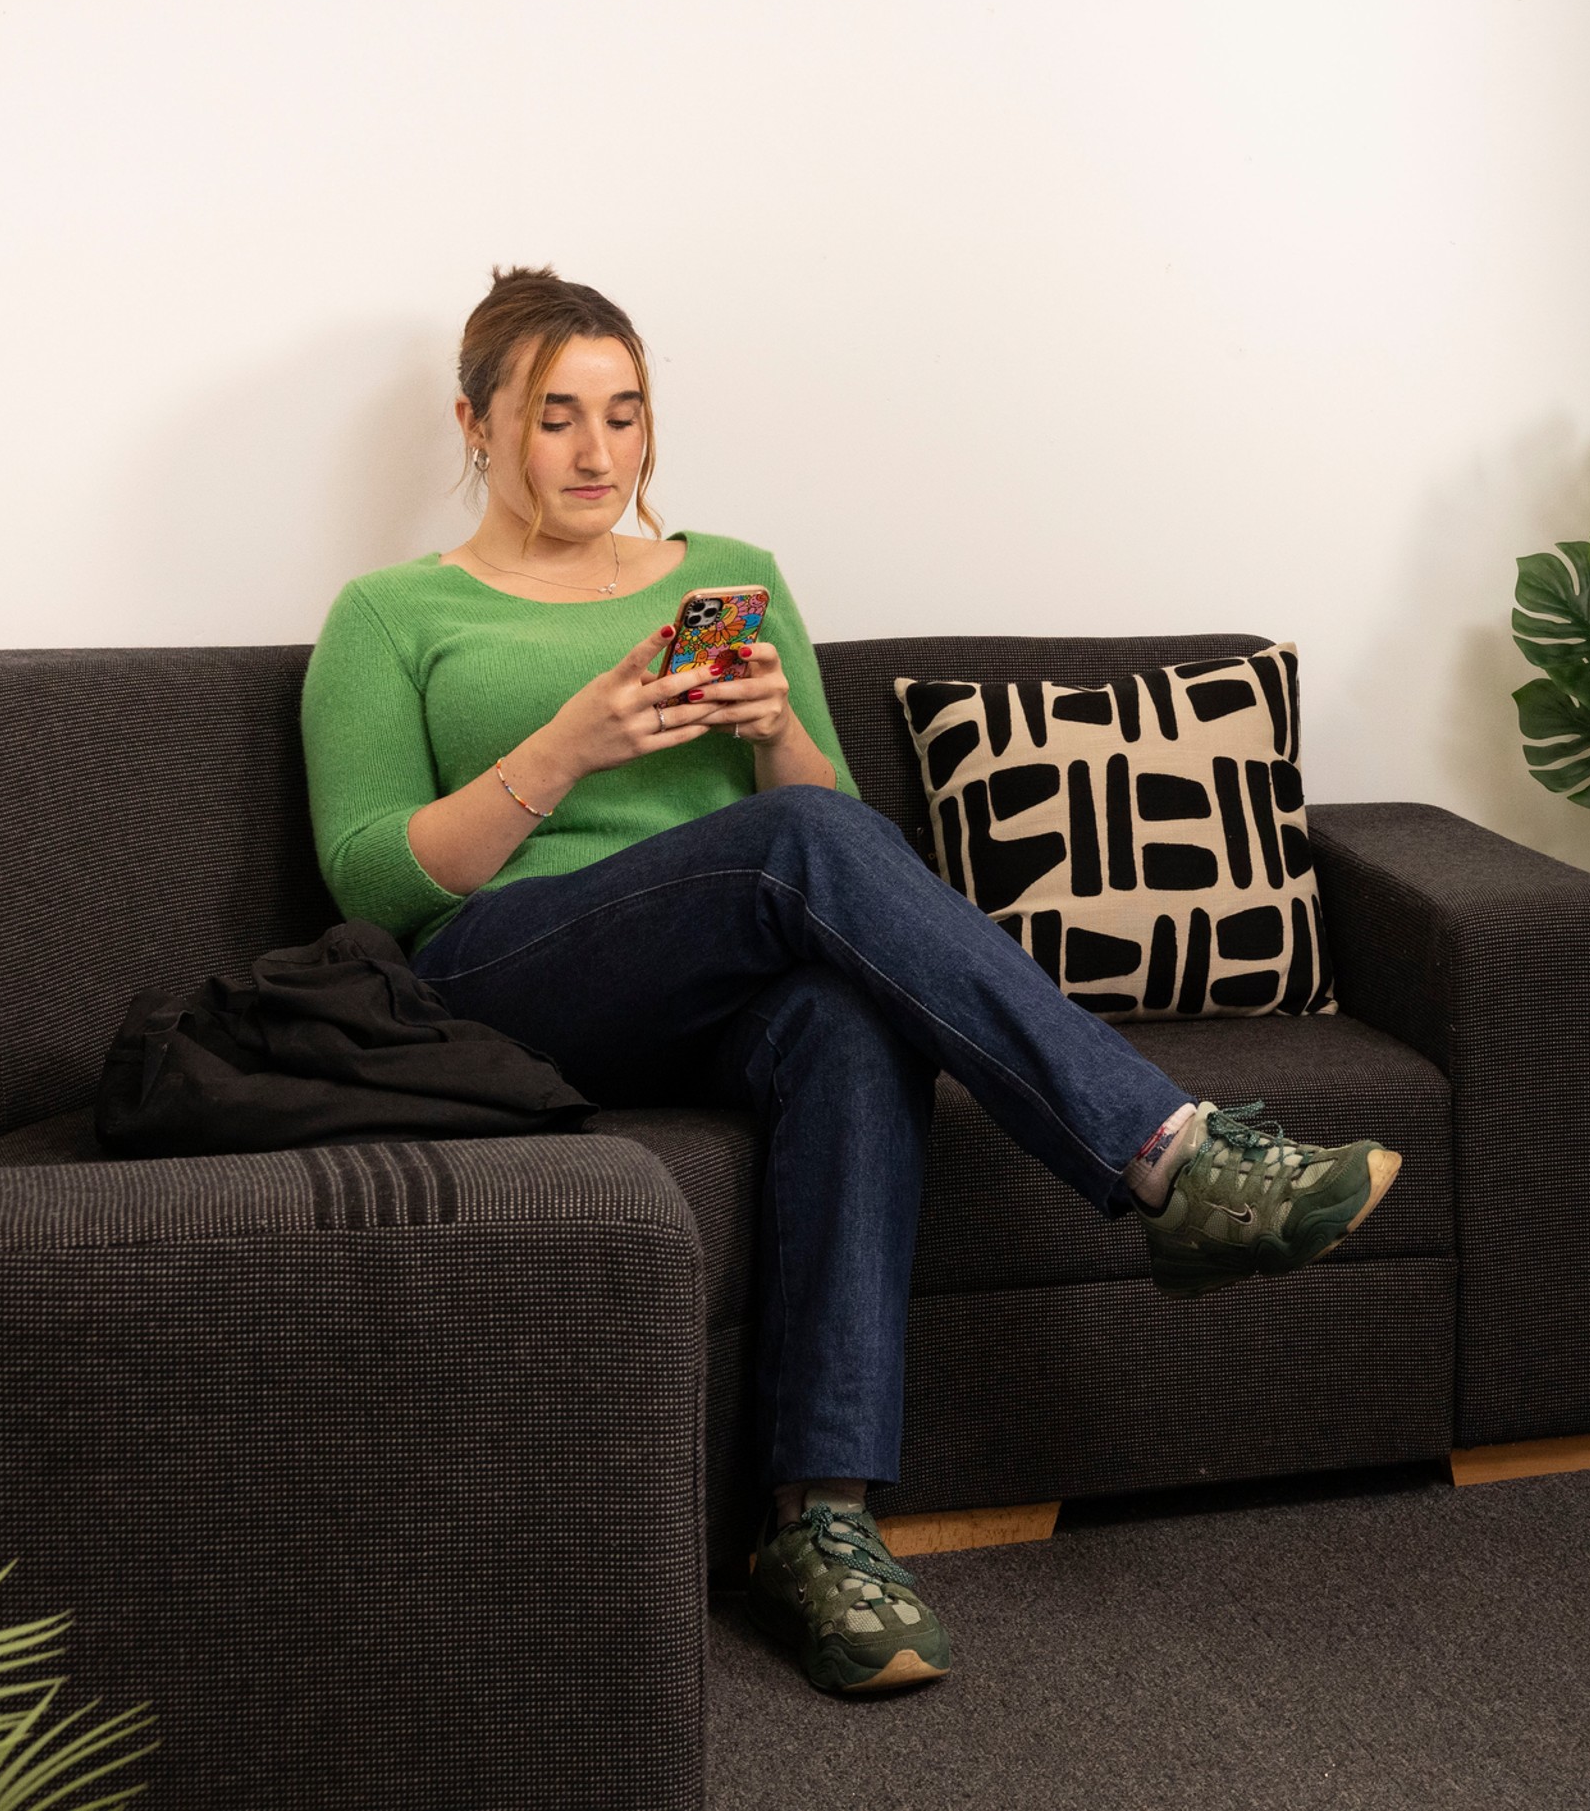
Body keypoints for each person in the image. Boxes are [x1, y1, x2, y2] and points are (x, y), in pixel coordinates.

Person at [302, 266, 1402, 1700]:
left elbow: (832, 830)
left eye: (623, 414)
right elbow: (375, 878)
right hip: (508, 976)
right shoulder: (390, 613)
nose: (595, 452)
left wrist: (769, 736)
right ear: (474, 420)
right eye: (554, 415)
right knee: (800, 855)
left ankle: (820, 1525)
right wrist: (568, 745)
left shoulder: (729, 572)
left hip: (717, 981)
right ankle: (1168, 1154)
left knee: (845, 1018)